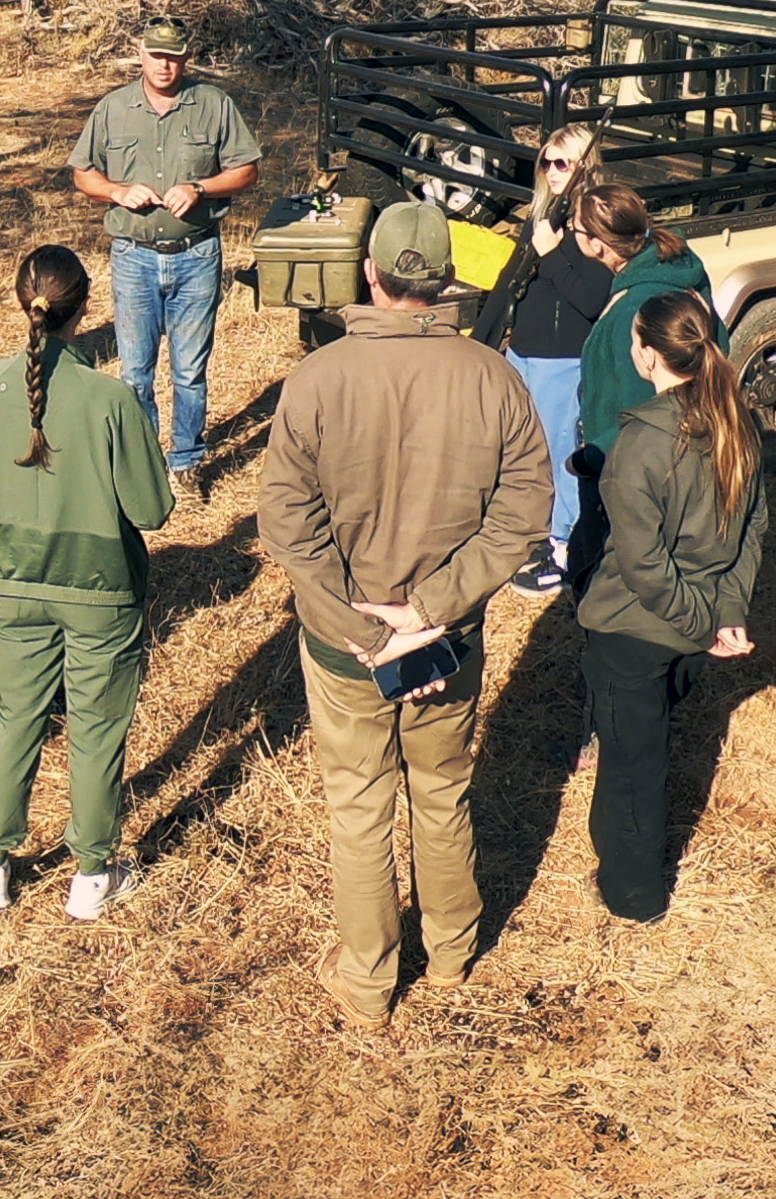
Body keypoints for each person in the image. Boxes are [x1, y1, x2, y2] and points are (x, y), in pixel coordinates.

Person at [256, 202, 553, 1028]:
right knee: (442, 788)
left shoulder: (317, 378)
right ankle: (454, 955)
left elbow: (286, 519)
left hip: (344, 643)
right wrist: (433, 610)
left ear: (371, 275)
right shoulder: (493, 377)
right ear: (443, 281)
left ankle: (367, 984)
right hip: (444, 642)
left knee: (359, 807)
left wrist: (361, 623)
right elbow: (523, 511)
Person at [0, 245, 176, 919]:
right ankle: (91, 876)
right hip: (100, 587)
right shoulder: (110, 398)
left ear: (19, 301)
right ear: (85, 308)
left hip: (11, 583)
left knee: (13, 714)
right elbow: (151, 510)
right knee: (97, 727)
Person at [573, 288, 769, 923]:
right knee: (652, 742)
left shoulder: (642, 445)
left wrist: (702, 624)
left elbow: (642, 564)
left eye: (634, 337)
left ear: (649, 354)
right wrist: (725, 609)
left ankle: (635, 896)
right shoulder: (739, 421)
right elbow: (753, 527)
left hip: (637, 630)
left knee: (633, 766)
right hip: (700, 620)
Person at [68, 18, 260, 502]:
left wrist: (201, 188)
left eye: (173, 56)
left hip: (196, 256)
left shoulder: (214, 105)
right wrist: (115, 190)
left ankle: (187, 461)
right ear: (140, 53)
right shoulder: (113, 108)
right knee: (135, 371)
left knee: (190, 371)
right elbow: (82, 174)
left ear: (187, 56)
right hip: (134, 257)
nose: (164, 65)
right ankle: (143, 465)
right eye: (156, 55)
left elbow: (247, 169)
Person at [478, 124, 620, 596]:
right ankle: (526, 531)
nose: (553, 171)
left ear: (585, 164)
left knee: (560, 454)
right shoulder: (544, 213)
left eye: (564, 162)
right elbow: (511, 277)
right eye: (547, 162)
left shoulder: (591, 220)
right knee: (520, 448)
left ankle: (563, 547)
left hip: (562, 360)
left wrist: (553, 252)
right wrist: (483, 336)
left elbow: (591, 297)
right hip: (523, 352)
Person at [565, 182, 711, 604]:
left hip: (627, 472)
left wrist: (591, 457)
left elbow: (639, 407)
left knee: (597, 572)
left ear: (597, 244)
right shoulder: (679, 269)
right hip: (685, 461)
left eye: (576, 229)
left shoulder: (634, 309)